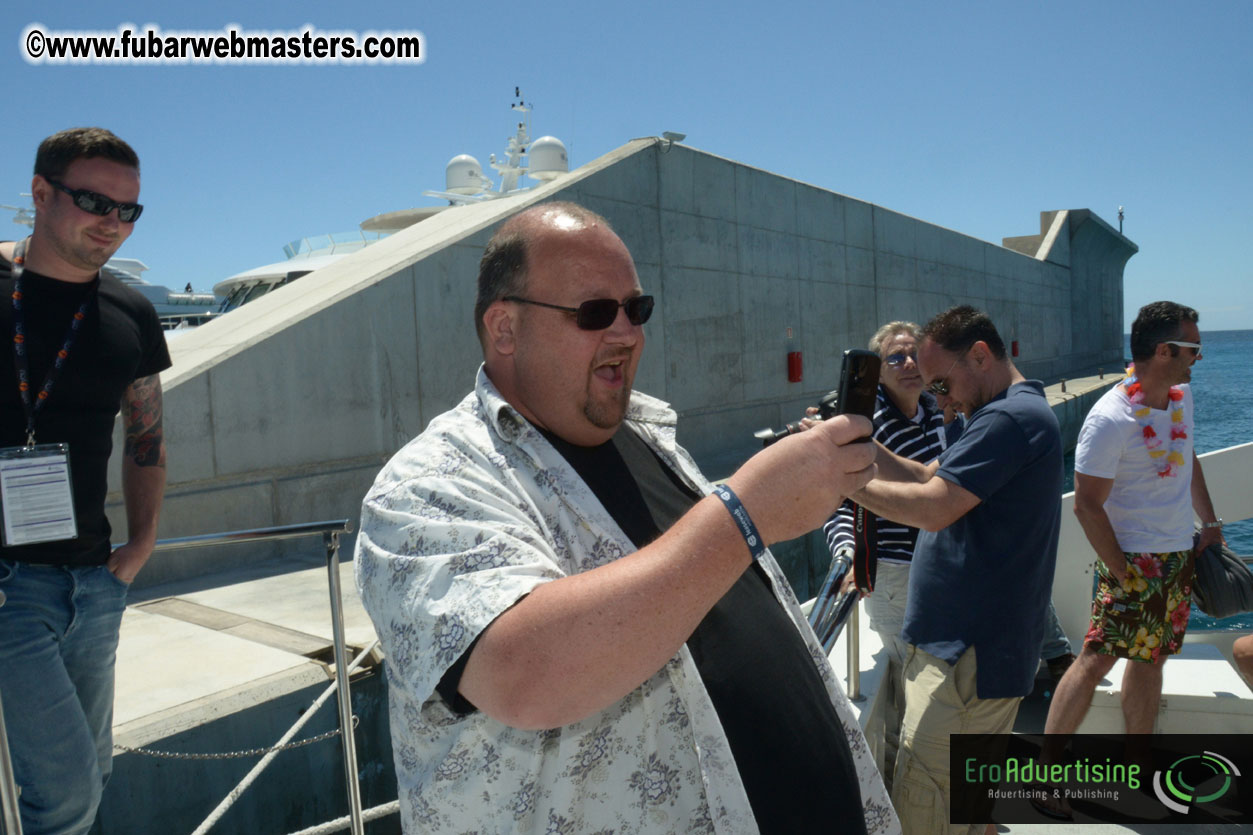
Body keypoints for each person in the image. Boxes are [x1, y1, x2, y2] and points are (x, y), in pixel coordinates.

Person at [355, 202, 900, 834]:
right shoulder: (426, 483)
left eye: (635, 309)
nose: (628, 333)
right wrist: (744, 514)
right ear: (504, 329)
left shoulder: (649, 437)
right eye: (594, 314)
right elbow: (524, 670)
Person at [0, 128, 170, 835]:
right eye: (96, 200)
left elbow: (147, 438)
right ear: (40, 193)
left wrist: (141, 546)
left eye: (129, 210)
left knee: (91, 773)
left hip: (95, 581)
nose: (113, 222)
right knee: (64, 792)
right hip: (9, 587)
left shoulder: (130, 312)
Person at [849, 305, 1063, 835]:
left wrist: (834, 480)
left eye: (941, 383)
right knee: (962, 809)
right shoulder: (1001, 414)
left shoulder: (1008, 419)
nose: (937, 399)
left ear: (981, 355)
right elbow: (927, 475)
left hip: (968, 660)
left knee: (928, 812)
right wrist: (856, 446)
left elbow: (933, 507)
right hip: (959, 652)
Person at [1037, 301, 1221, 815]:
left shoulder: (1180, 399)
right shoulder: (1110, 419)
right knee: (1095, 659)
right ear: (1163, 351)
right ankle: (1046, 777)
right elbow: (1087, 505)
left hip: (1178, 553)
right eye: (1192, 349)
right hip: (1133, 561)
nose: (1198, 358)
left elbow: (1189, 463)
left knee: (1154, 657)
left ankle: (1139, 765)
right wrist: (1122, 571)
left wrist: (1208, 525)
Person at [823, 321, 955, 790]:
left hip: (934, 568)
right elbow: (841, 500)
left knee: (930, 683)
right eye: (894, 358)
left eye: (913, 355)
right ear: (877, 373)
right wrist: (845, 552)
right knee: (914, 690)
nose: (908, 365)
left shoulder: (931, 413)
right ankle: (912, 799)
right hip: (895, 575)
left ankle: (928, 793)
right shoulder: (865, 424)